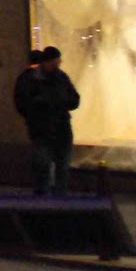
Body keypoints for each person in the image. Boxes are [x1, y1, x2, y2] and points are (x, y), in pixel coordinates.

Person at [17, 45, 80, 195]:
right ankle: (43, 198)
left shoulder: (61, 77)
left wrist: (63, 101)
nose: (58, 64)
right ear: (46, 62)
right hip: (42, 129)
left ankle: (60, 197)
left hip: (61, 128)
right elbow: (22, 102)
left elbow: (74, 99)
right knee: (42, 166)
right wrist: (37, 111)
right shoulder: (30, 78)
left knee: (62, 166)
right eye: (55, 61)